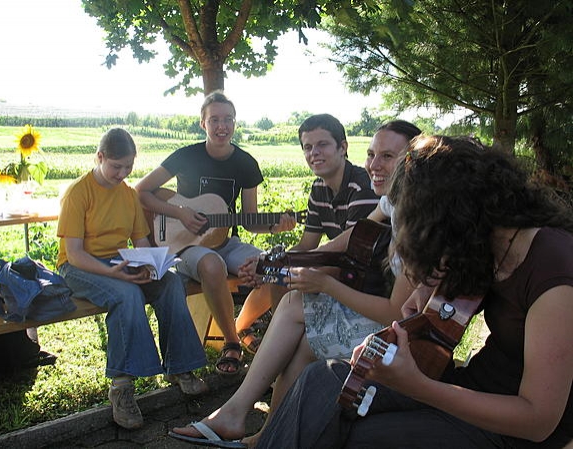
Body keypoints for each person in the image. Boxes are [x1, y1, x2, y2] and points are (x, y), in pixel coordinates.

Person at [255, 135, 573, 449]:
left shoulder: (555, 275)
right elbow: (447, 286)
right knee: (322, 380)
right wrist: (426, 290)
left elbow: (538, 421)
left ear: (453, 215)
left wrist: (417, 386)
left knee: (355, 436)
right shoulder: (489, 241)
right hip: (474, 387)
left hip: (510, 430)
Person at [169, 120, 421, 448]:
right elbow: (347, 238)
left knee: (294, 309)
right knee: (295, 322)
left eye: (387, 156)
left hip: (392, 328)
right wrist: (277, 265)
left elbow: (369, 282)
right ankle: (265, 430)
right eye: (372, 154)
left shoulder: (407, 216)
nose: (374, 164)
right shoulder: (391, 201)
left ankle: (241, 415)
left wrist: (307, 278)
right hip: (364, 299)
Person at [57, 128, 208, 430]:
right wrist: (113, 273)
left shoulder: (128, 195)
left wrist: (148, 266)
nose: (123, 173)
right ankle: (122, 387)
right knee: (126, 294)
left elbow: (140, 242)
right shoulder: (79, 192)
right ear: (100, 157)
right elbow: (73, 254)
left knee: (170, 283)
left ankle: (180, 368)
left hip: (119, 262)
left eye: (129, 166)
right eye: (116, 166)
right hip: (79, 268)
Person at [135, 91, 295, 375]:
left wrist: (274, 226)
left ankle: (245, 326)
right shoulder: (186, 156)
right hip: (185, 246)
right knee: (212, 264)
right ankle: (231, 343)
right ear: (203, 123)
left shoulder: (246, 163)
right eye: (215, 120)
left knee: (275, 266)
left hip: (225, 241)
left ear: (235, 123)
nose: (222, 126)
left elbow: (249, 220)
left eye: (228, 119)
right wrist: (180, 213)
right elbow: (141, 191)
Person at [233, 113, 381, 353]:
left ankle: (276, 344)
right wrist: (269, 263)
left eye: (322, 144)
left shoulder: (361, 186)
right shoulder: (319, 188)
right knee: (276, 273)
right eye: (308, 147)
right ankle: (260, 336)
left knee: (282, 275)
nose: (314, 153)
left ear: (343, 147)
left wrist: (276, 266)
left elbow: (351, 249)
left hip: (363, 274)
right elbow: (306, 244)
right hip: (341, 265)